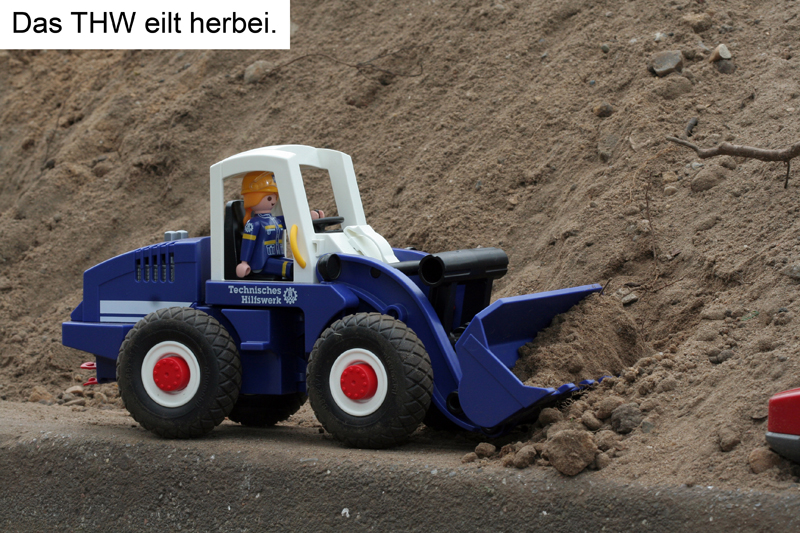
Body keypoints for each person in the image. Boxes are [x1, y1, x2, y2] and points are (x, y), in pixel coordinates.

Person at [236, 171, 324, 279]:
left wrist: (308, 216)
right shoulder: (254, 223)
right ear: (254, 198)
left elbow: (292, 220)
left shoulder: (275, 220)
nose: (273, 201)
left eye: (274, 197)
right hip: (262, 262)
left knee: (301, 266)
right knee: (294, 269)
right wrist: (244, 262)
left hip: (276, 257)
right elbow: (248, 243)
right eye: (269, 198)